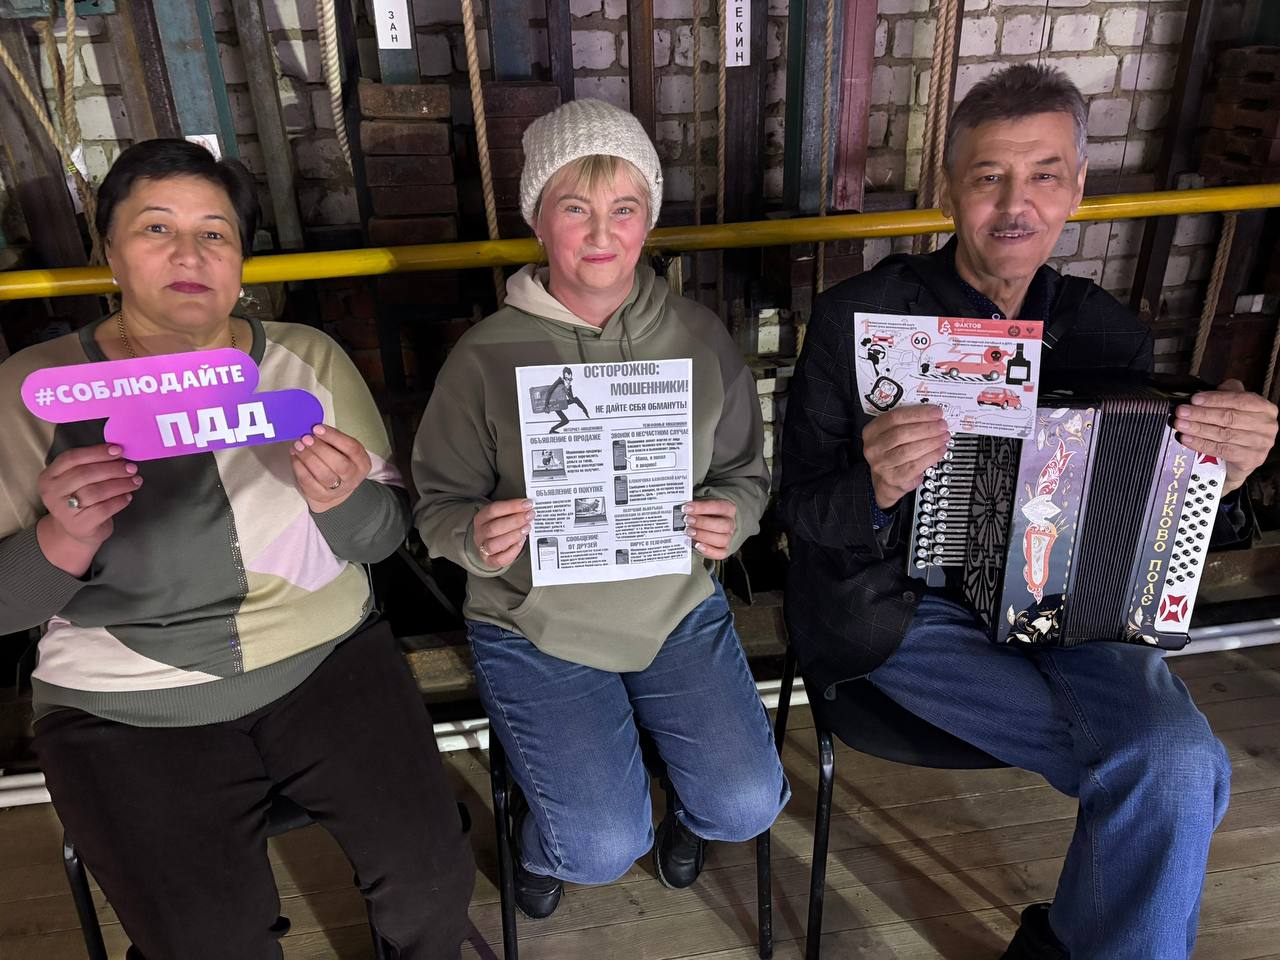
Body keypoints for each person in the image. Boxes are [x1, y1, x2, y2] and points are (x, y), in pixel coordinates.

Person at [779, 64, 1278, 960]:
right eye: (989, 177)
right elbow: (799, 514)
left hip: (1073, 610)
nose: (1016, 205)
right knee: (1174, 772)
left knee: (1177, 768)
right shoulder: (858, 318)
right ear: (947, 190)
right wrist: (874, 486)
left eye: (1044, 174)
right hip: (902, 612)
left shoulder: (1103, 329)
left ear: (1078, 186)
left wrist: (1223, 474)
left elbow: (1147, 519)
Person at [0, 139, 474, 959]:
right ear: (109, 250)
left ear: (241, 259)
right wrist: (60, 537)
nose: (189, 254)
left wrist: (343, 500)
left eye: (214, 233)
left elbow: (382, 538)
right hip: (121, 704)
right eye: (157, 228)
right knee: (206, 941)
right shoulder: (30, 392)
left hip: (325, 658)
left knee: (432, 877)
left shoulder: (306, 361)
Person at [412, 99, 789, 918]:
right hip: (535, 621)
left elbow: (745, 474)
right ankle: (542, 842)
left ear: (648, 221)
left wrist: (734, 515)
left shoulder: (699, 336)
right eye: (574, 208)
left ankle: (688, 813)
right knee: (599, 848)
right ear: (537, 220)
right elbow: (436, 506)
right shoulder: (483, 356)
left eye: (624, 208)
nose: (600, 233)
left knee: (745, 806)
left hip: (674, 606)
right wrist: (474, 536)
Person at [544, 365, 590, 433]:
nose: (569, 381)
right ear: (564, 377)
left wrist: (567, 390)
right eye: (567, 379)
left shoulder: (568, 385)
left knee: (566, 420)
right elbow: (549, 391)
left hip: (561, 402)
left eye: (570, 379)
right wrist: (546, 406)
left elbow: (571, 399)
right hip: (554, 403)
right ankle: (552, 430)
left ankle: (585, 411)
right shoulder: (559, 381)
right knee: (566, 420)